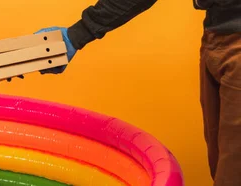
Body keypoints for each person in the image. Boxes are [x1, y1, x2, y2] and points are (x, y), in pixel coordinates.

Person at [33, 0, 241, 185]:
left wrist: (78, 34)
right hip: (218, 34)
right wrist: (76, 35)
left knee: (232, 175)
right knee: (222, 162)